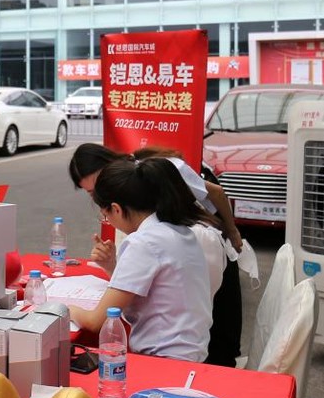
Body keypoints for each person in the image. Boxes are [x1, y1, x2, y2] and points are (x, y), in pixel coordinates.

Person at [67, 142, 245, 367]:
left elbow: (96, 322)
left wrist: (65, 308)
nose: (108, 222)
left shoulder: (144, 242)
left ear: (117, 209)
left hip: (164, 364)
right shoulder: (178, 230)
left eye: (106, 216)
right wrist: (113, 265)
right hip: (192, 357)